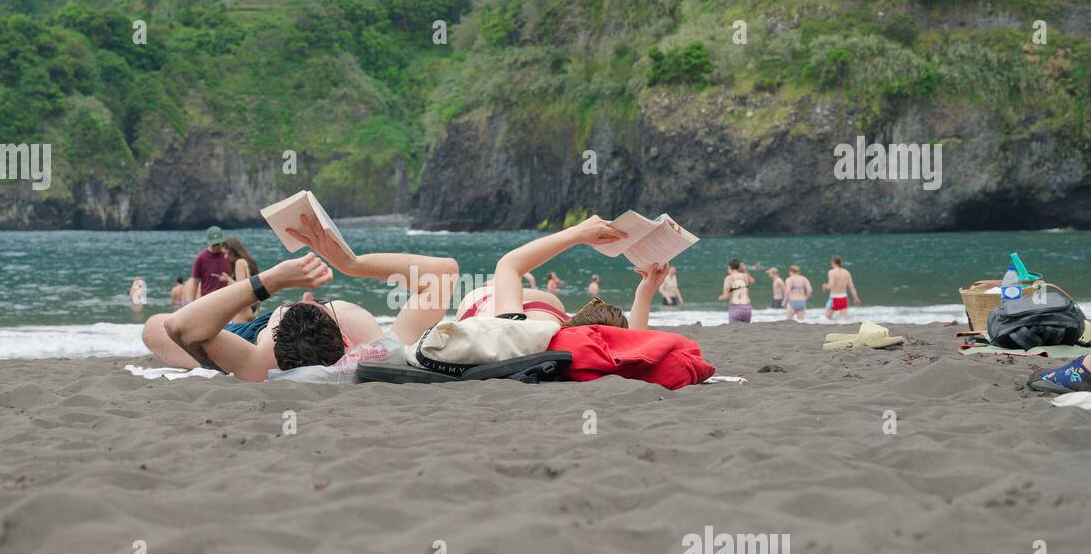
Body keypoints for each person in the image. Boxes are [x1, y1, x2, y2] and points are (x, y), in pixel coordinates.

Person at [141, 214, 457, 381]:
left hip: (252, 335)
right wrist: (351, 264)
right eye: (318, 302)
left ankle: (214, 353)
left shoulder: (258, 363)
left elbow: (171, 327)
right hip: (290, 338)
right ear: (345, 339)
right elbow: (443, 274)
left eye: (304, 300)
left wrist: (271, 280)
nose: (309, 293)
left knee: (163, 331)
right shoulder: (378, 351)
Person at [453, 216, 667, 330]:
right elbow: (634, 339)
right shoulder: (574, 340)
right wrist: (645, 292)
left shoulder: (523, 329)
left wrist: (576, 234)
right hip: (499, 303)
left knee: (500, 281)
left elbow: (508, 265)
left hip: (481, 302)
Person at [186, 226, 235, 303]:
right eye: (213, 244)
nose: (216, 247)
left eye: (218, 244)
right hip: (208, 300)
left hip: (227, 298)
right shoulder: (201, 258)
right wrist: (189, 305)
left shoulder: (228, 255)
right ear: (208, 242)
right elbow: (195, 284)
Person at [223, 237, 261, 323]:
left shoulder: (239, 262)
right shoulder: (246, 261)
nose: (225, 257)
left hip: (243, 310)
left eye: (226, 253)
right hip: (251, 307)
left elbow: (241, 287)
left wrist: (228, 279)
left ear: (232, 250)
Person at [822, 255, 861, 323]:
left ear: (833, 262)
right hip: (843, 298)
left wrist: (825, 286)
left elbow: (831, 285)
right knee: (843, 320)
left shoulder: (832, 272)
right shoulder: (846, 272)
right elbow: (852, 287)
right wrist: (856, 298)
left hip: (834, 298)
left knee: (827, 318)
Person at [720, 257, 752, 324]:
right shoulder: (745, 276)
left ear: (729, 267)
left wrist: (721, 297)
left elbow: (726, 297)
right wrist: (745, 270)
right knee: (746, 330)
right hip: (747, 307)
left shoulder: (728, 278)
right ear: (738, 267)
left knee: (734, 330)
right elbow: (752, 281)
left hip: (736, 308)